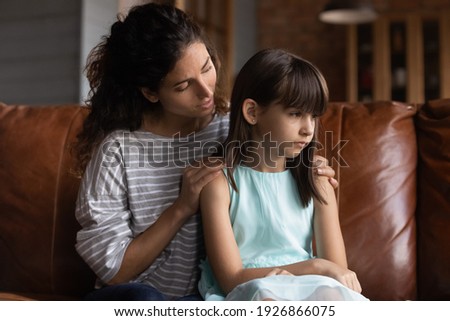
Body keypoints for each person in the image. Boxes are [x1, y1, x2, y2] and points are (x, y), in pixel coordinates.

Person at [73, 3, 337, 301]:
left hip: (206, 298)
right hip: (135, 295)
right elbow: (115, 270)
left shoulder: (230, 129)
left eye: (207, 67)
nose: (207, 92)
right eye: (184, 85)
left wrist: (309, 166)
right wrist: (181, 207)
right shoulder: (116, 153)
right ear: (150, 92)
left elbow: (281, 145)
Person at [198, 49, 368, 301]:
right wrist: (314, 266)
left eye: (313, 116)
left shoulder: (317, 181)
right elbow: (231, 279)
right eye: (296, 114)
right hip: (250, 290)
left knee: (332, 296)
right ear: (253, 112)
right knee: (265, 296)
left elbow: (337, 271)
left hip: (307, 290)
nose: (308, 129)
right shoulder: (219, 183)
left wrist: (319, 271)